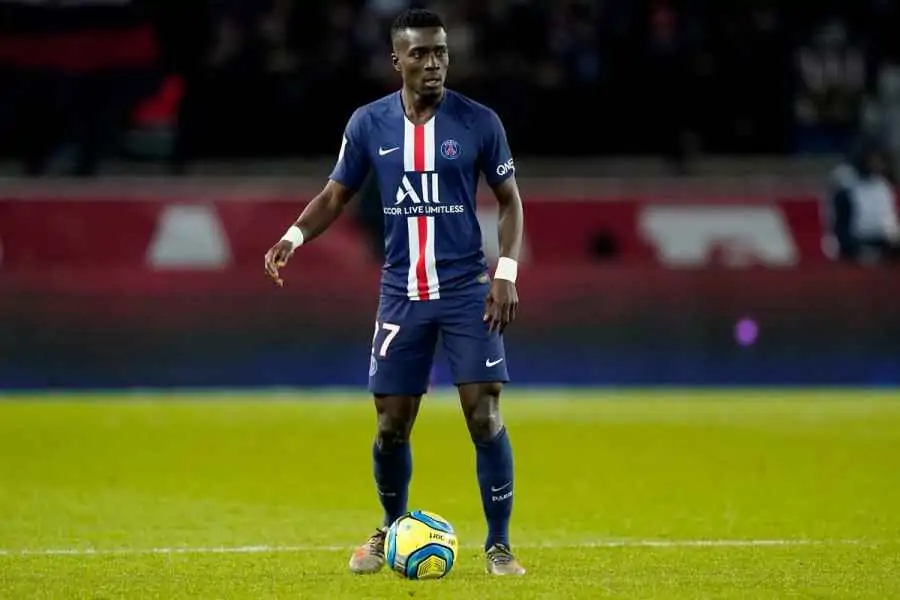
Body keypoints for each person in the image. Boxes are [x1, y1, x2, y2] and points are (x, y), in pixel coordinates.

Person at [263, 8, 526, 576]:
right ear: (396, 60)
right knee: (390, 425)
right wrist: (292, 236)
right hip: (402, 293)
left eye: (441, 52)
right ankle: (389, 527)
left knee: (484, 415)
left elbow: (510, 200)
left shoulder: (479, 122)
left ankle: (499, 544)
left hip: (466, 290)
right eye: (420, 54)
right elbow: (336, 194)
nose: (433, 64)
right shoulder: (368, 124)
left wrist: (505, 271)